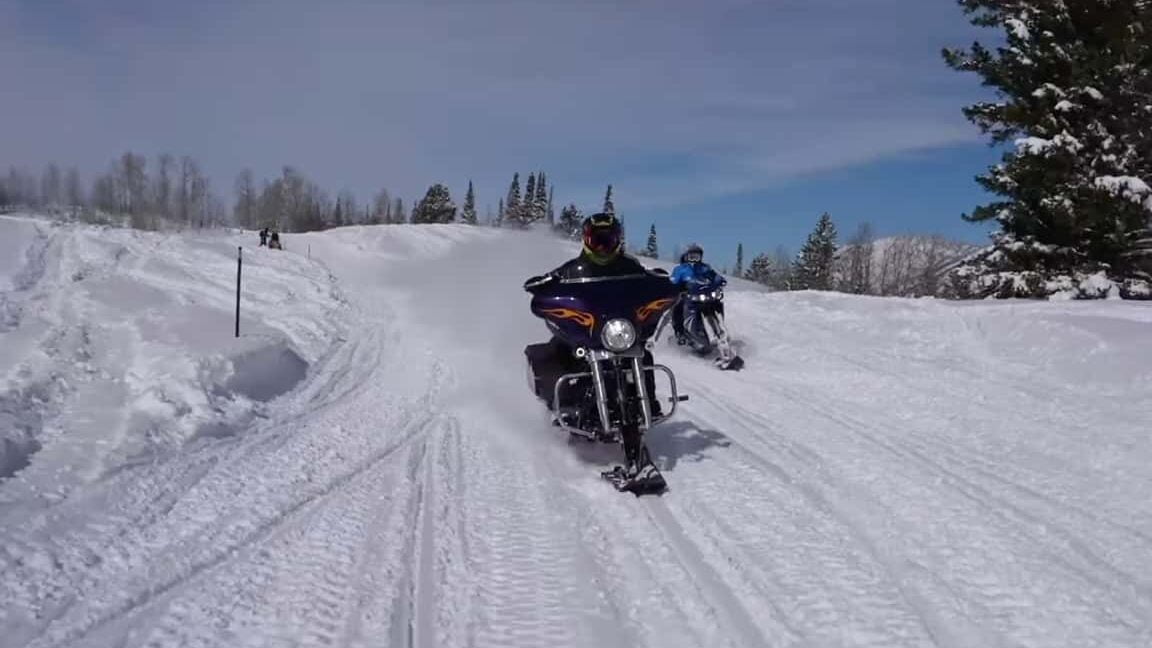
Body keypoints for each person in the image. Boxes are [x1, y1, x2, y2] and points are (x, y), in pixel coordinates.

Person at [525, 212, 662, 422]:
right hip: (589, 328)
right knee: (563, 351)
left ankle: (649, 404)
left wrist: (662, 284)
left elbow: (647, 280)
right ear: (587, 240)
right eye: (596, 241)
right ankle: (566, 406)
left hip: (617, 326)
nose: (602, 247)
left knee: (643, 354)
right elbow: (553, 278)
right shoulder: (572, 269)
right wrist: (542, 286)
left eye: (607, 240)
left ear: (617, 240)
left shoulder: (629, 266)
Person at [670, 243, 727, 344]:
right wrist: (676, 287)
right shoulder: (680, 269)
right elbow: (673, 281)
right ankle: (680, 333)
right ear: (686, 256)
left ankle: (721, 330)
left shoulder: (705, 268)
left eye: (697, 256)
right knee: (677, 306)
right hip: (687, 296)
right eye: (691, 256)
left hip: (704, 295)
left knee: (717, 303)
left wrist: (720, 280)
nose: (694, 259)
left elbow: (714, 275)